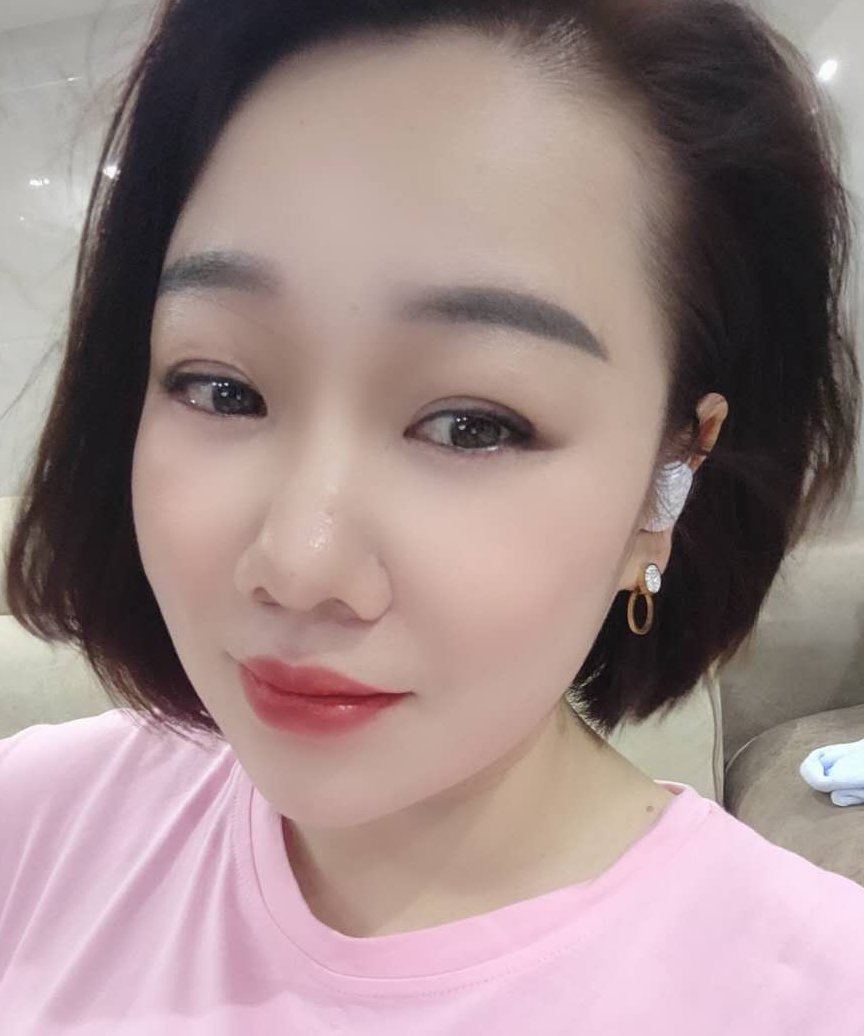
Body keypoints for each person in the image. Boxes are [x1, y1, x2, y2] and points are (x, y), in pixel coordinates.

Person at [1, 0, 862, 1031]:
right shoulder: (37, 824)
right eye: (222, 389)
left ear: (673, 467)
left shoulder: (814, 992)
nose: (299, 562)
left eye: (471, 426)